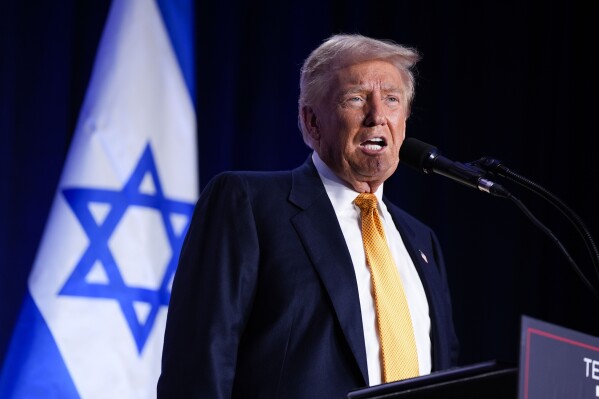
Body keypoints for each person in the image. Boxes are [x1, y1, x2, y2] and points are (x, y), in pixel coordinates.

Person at [157, 33, 459, 398]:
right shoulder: (249, 203)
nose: (377, 116)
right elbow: (198, 365)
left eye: (392, 99)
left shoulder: (422, 241)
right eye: (356, 98)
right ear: (312, 121)